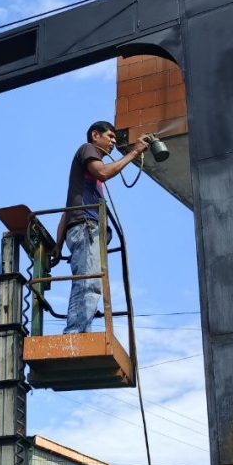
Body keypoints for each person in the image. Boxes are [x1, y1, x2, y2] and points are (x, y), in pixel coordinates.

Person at [51, 121, 149, 334]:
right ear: (95, 135)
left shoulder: (86, 183)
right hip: (86, 229)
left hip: (86, 230)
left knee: (91, 282)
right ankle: (75, 336)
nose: (113, 142)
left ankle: (79, 333)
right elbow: (103, 172)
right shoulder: (87, 149)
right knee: (89, 283)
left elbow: (67, 210)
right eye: (110, 136)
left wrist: (58, 246)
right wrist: (134, 153)